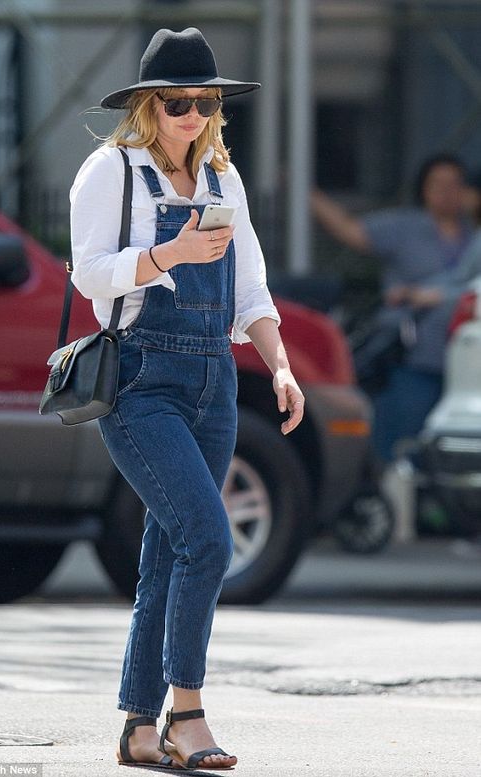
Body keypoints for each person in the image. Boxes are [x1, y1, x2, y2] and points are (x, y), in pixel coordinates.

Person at [69, 27, 304, 770]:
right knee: (209, 538)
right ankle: (188, 714)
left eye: (205, 103)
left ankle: (139, 727)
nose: (192, 116)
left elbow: (252, 289)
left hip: (216, 381)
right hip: (141, 382)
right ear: (147, 105)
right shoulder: (111, 172)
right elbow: (87, 274)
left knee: (169, 554)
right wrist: (168, 254)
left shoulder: (222, 181)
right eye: (177, 103)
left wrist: (282, 365)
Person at [311, 154, 474, 462]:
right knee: (400, 443)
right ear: (424, 189)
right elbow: (351, 231)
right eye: (438, 184)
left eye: (455, 185)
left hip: (466, 364)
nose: (448, 192)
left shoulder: (473, 236)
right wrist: (306, 193)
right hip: (416, 359)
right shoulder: (405, 226)